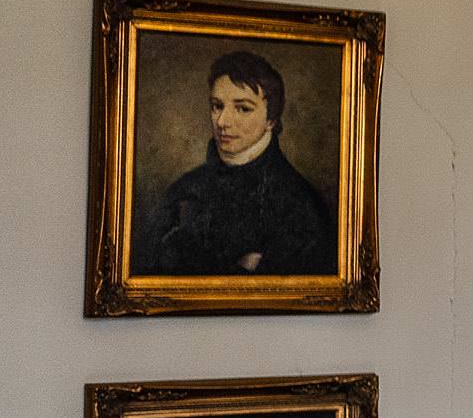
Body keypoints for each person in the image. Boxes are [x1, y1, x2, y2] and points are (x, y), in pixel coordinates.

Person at [132, 48, 338, 276]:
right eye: (217, 106)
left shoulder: (299, 204)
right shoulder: (183, 191)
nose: (222, 121)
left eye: (243, 109)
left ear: (271, 119)